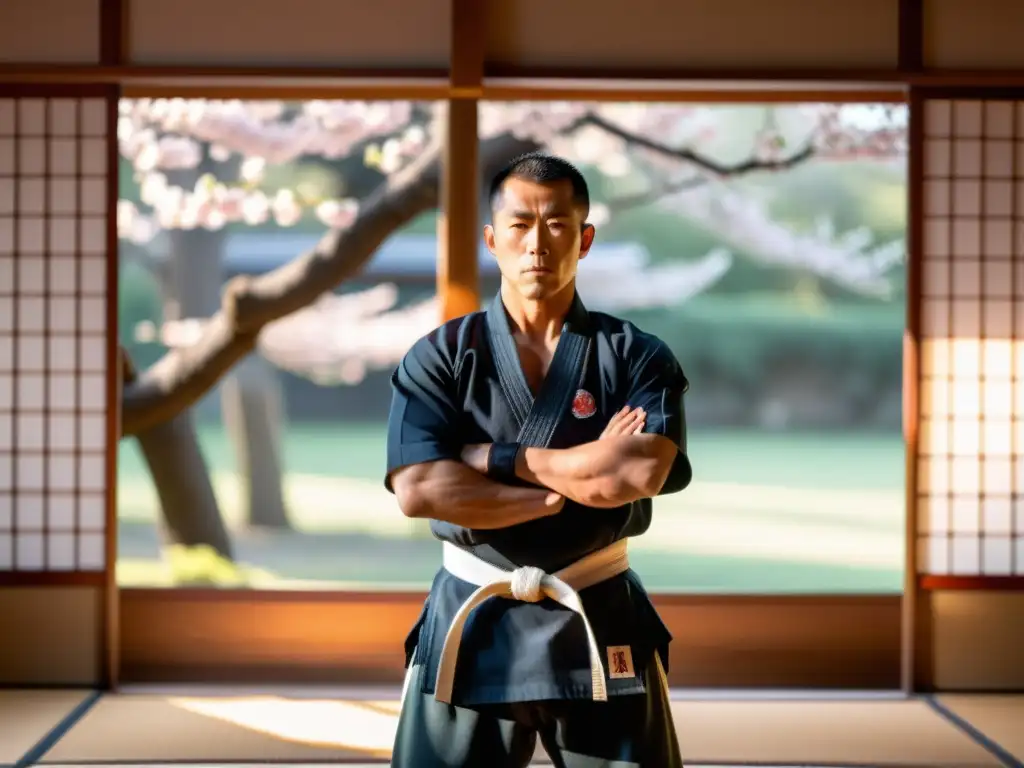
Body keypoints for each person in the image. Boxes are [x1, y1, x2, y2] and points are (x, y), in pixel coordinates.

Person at [384, 152, 692, 767]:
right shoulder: (443, 356)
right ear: (493, 240)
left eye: (556, 225)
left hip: (596, 609)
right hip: (472, 616)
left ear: (585, 239)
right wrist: (571, 481)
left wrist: (493, 458)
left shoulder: (634, 355)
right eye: (521, 225)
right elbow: (420, 488)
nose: (537, 244)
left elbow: (635, 474)